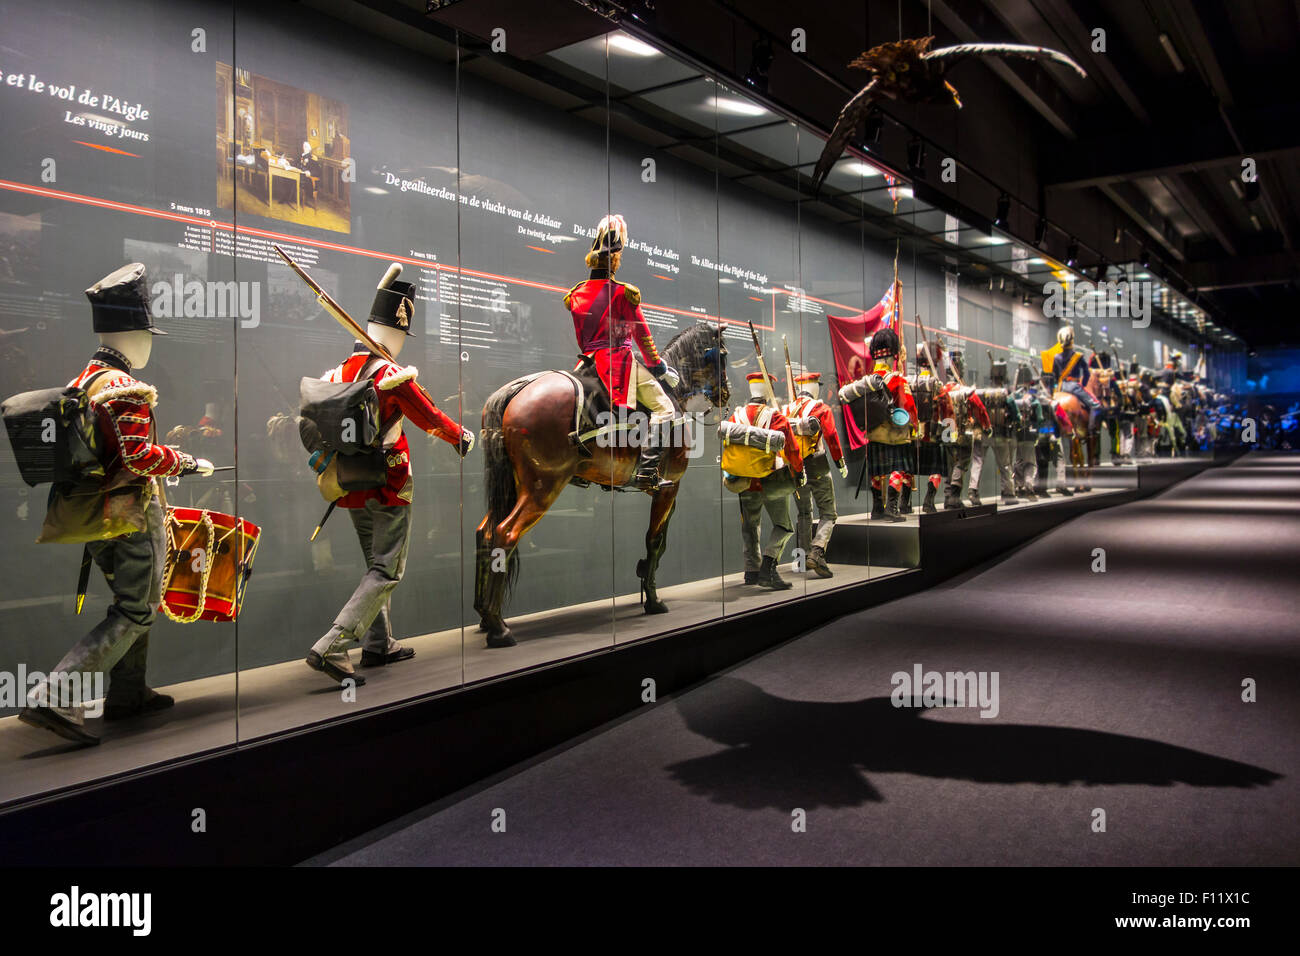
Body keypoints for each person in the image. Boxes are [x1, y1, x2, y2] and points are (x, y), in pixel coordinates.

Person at [19, 263, 214, 746]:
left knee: (134, 602)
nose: (150, 344)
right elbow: (138, 455)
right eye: (146, 334)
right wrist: (188, 461)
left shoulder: (86, 379)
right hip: (128, 510)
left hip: (95, 512)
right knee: (137, 609)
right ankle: (55, 694)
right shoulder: (123, 388)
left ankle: (128, 694)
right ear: (132, 334)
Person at [305, 264, 474, 686]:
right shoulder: (391, 374)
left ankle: (379, 644)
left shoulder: (339, 372)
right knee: (387, 570)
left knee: (372, 564)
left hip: (349, 487)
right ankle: (334, 644)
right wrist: (461, 437)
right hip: (389, 485)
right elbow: (429, 416)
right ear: (396, 332)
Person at [564, 214, 679, 489]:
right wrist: (659, 367)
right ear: (615, 259)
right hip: (618, 363)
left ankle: (581, 468)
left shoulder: (575, 295)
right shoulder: (624, 294)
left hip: (587, 363)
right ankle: (648, 472)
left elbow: (583, 338)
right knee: (665, 409)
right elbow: (644, 338)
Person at [729, 372, 805, 589]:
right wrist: (799, 472)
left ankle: (751, 571)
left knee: (750, 527)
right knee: (784, 526)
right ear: (768, 389)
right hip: (773, 480)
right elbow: (792, 448)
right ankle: (768, 567)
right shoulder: (776, 417)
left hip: (745, 481)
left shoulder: (736, 416)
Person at [784, 371, 846, 577]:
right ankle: (817, 552)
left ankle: (801, 559)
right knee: (828, 512)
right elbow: (831, 436)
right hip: (817, 463)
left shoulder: (787, 410)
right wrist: (839, 462)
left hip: (794, 465)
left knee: (803, 513)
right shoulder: (821, 408)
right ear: (814, 387)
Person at [862, 328, 917, 521]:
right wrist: (915, 427)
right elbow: (909, 407)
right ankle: (892, 507)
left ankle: (877, 507)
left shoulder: (865, 381)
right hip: (895, 435)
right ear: (892, 355)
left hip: (873, 434)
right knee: (898, 468)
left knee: (876, 471)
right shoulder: (897, 380)